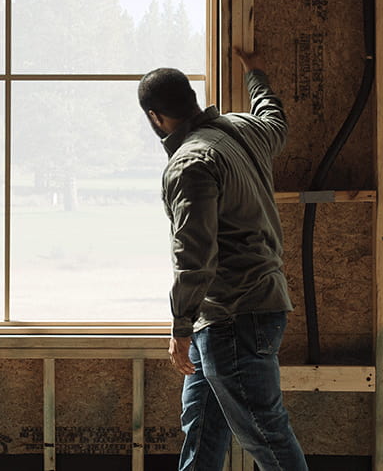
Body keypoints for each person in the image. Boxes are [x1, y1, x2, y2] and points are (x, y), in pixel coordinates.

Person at [141, 49, 305, 471]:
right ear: (192, 98)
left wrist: (179, 328)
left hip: (232, 316)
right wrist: (256, 76)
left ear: (155, 117)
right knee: (202, 430)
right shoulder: (242, 129)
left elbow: (194, 256)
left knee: (266, 434)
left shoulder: (190, 164)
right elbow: (275, 121)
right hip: (243, 313)